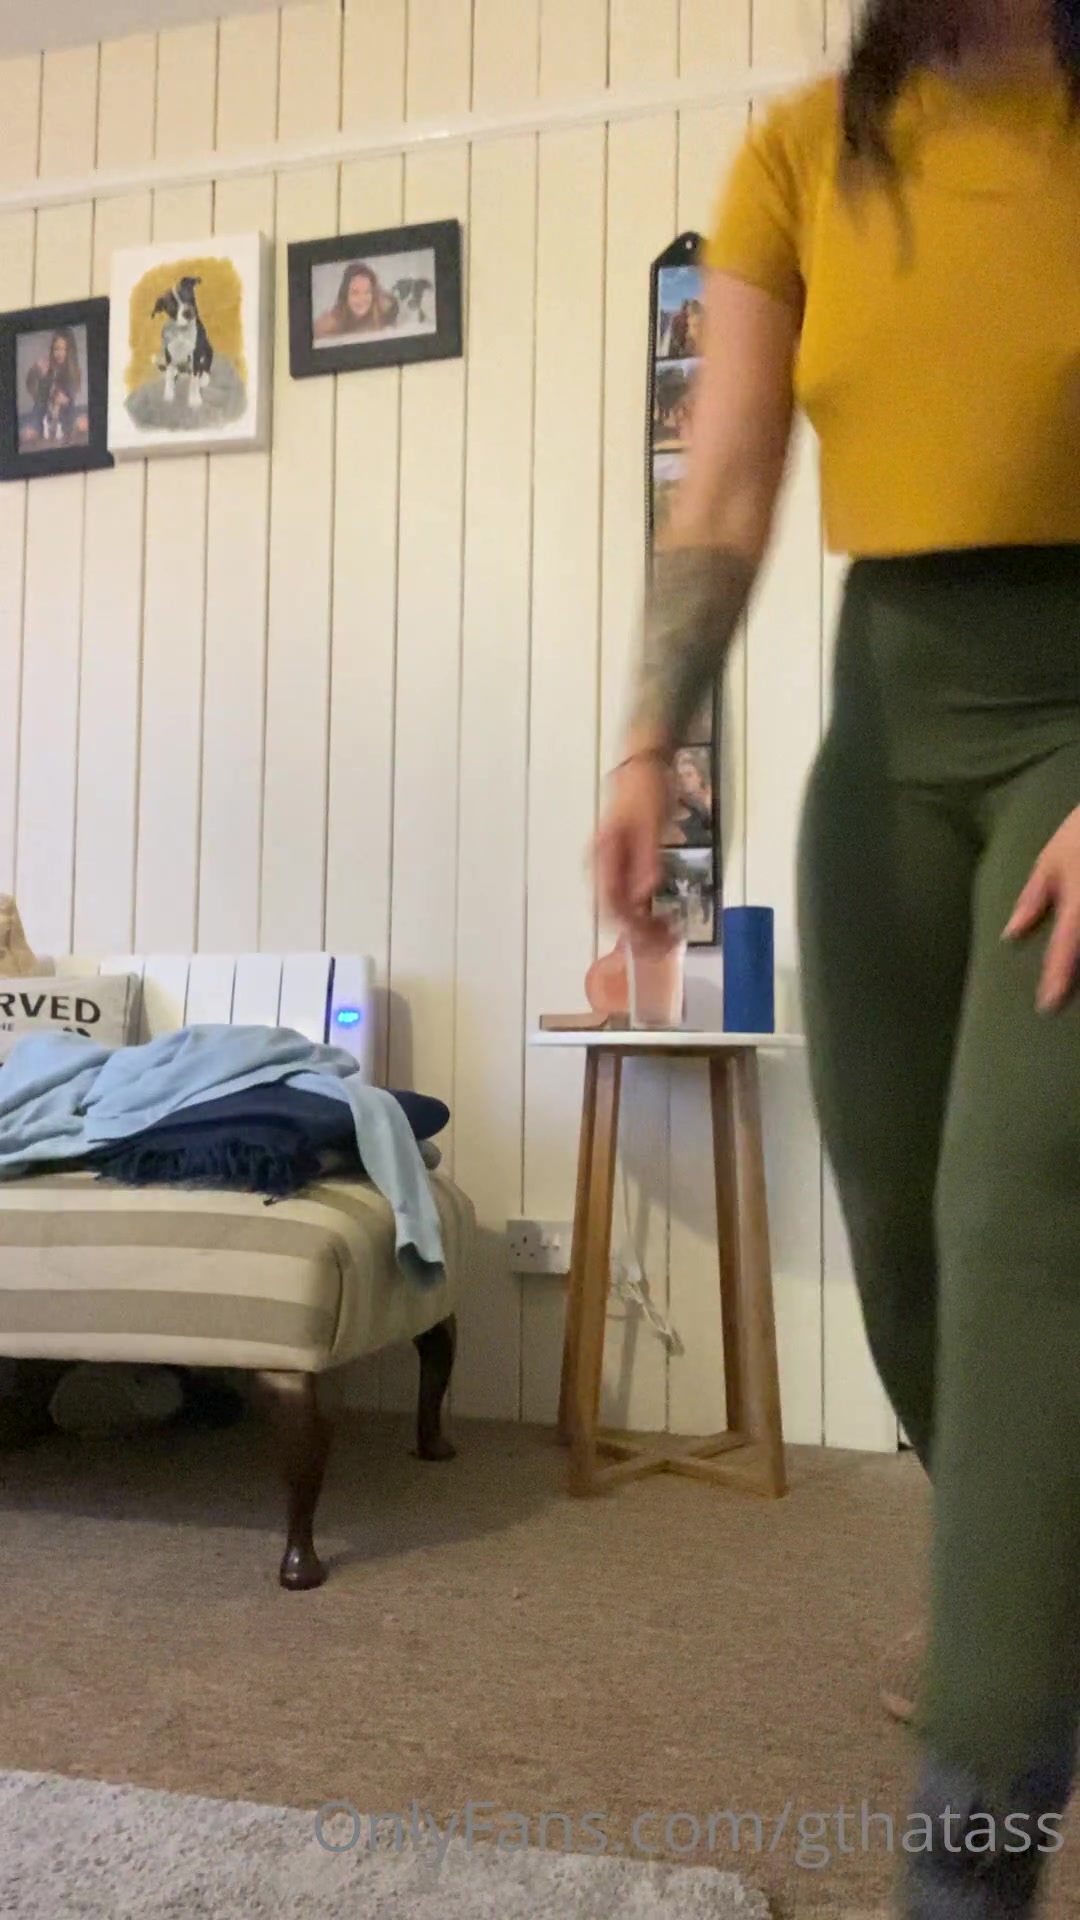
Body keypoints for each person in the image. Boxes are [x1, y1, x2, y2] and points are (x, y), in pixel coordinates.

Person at [595, 2, 1080, 1915]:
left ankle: (983, 1794)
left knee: (1018, 1221)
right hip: (890, 740)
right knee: (900, 1235)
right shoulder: (806, 152)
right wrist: (650, 742)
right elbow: (722, 487)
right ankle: (1035, 1586)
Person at [313, 262, 398, 341]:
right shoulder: (334, 319)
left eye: (367, 292)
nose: (362, 299)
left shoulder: (381, 309)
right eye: (355, 293)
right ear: (345, 295)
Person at [24, 328, 80, 444]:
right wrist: (34, 371)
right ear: (52, 349)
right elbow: (32, 388)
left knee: (78, 425)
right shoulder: (46, 366)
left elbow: (73, 395)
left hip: (65, 414)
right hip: (42, 413)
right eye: (56, 349)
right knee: (28, 434)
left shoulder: (73, 371)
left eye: (64, 349)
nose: (59, 353)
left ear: (70, 351)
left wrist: (66, 400)